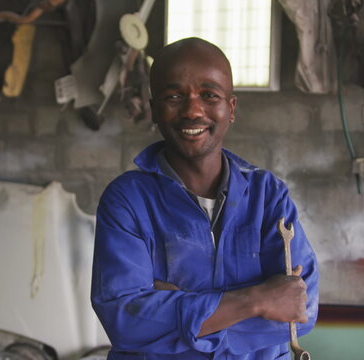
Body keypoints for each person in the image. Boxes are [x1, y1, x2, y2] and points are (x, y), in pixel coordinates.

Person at [91, 37, 319, 359]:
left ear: (231, 108)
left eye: (209, 95)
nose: (193, 110)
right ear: (155, 110)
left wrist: (179, 314)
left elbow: (300, 309)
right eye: (173, 96)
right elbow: (126, 319)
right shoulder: (127, 201)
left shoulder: (268, 197)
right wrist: (256, 300)